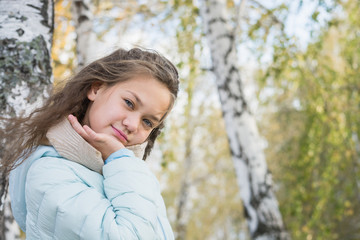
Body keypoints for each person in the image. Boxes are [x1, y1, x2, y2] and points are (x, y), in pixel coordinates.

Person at [2, 48, 179, 239]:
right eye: (129, 103)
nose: (132, 125)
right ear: (96, 89)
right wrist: (118, 158)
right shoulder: (50, 172)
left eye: (147, 122)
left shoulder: (132, 177)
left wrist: (119, 160)